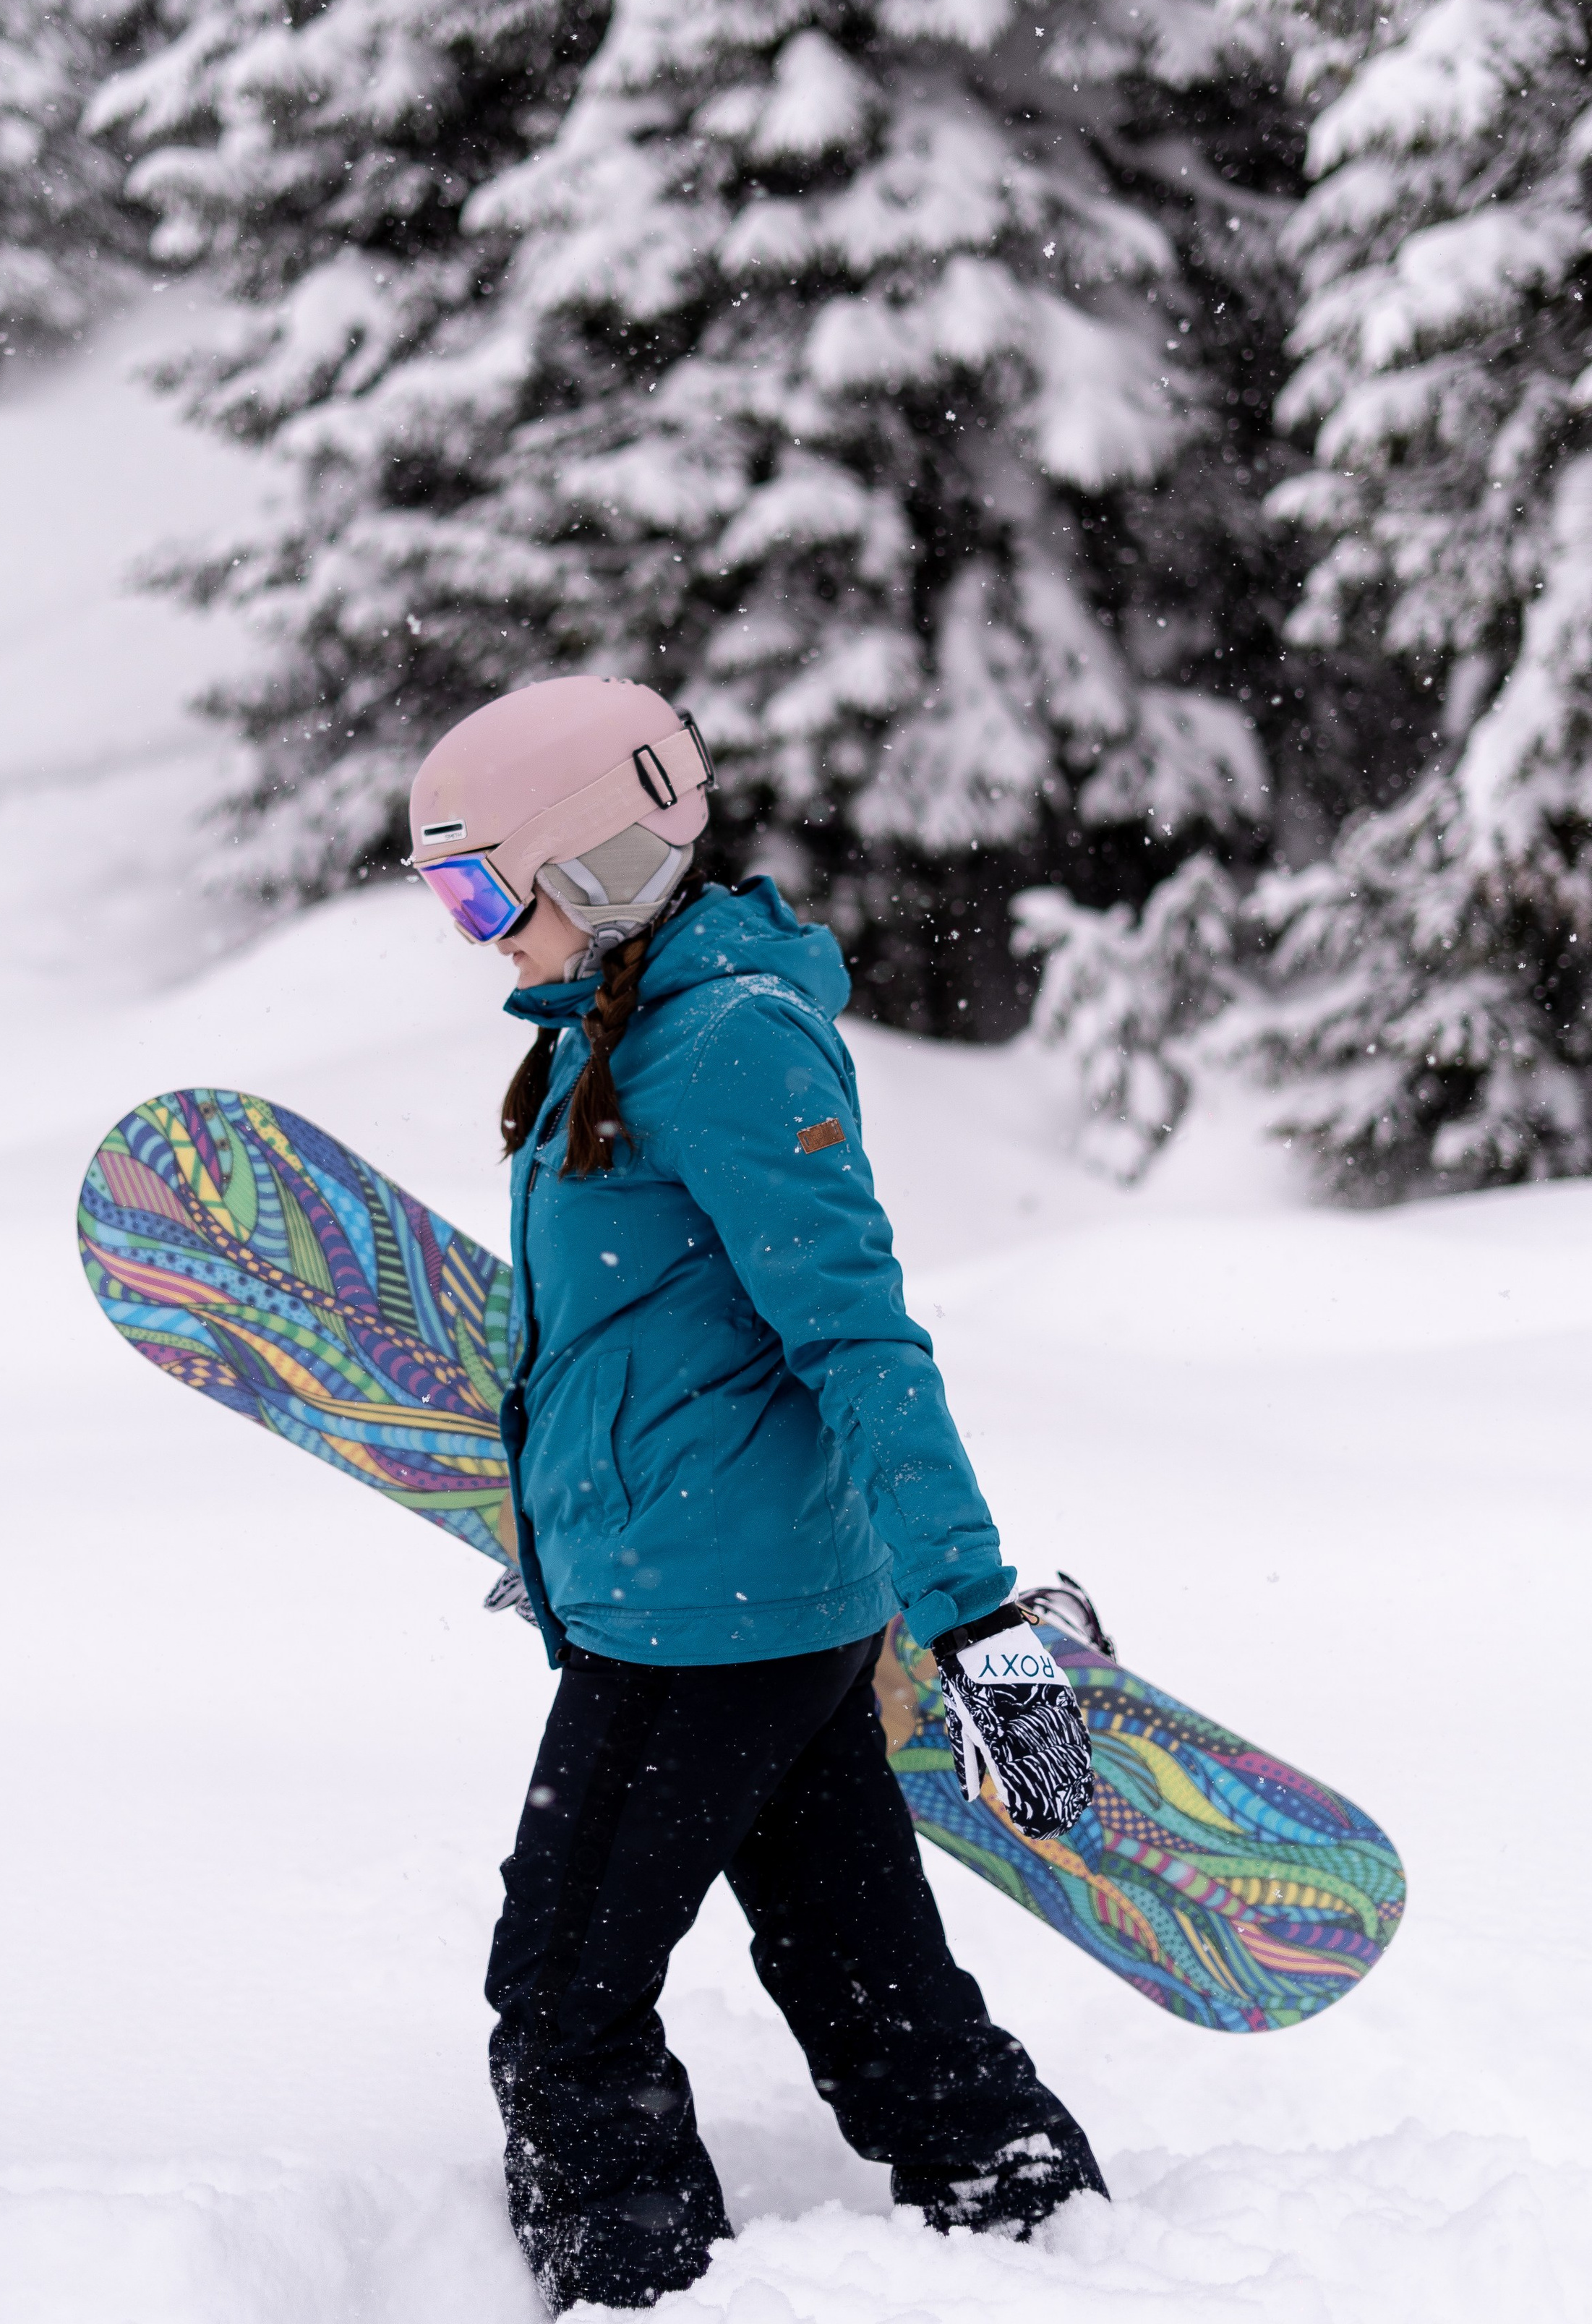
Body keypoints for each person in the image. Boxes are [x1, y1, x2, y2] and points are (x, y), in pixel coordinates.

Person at [407, 675, 1106, 2315]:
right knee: (860, 1970)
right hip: (723, 1601)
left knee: (563, 1999)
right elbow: (634, 1350)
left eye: (478, 889)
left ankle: (635, 2284)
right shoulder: (622, 1035)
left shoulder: (716, 1043)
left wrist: (974, 1621)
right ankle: (1032, 2220)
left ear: (586, 863)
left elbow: (860, 1343)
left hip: (706, 1628)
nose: (475, 936)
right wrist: (567, 1540)